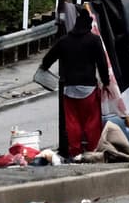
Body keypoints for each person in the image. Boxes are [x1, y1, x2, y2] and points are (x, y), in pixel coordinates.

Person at [38, 9, 110, 158]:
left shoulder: (64, 41)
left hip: (69, 89)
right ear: (88, 25)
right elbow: (102, 64)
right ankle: (92, 152)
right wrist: (106, 82)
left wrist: (44, 68)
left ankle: (75, 152)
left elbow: (47, 60)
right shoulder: (94, 40)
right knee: (91, 122)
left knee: (72, 123)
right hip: (88, 88)